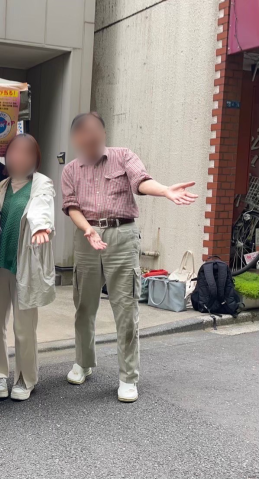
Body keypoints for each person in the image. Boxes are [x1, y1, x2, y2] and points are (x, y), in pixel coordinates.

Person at [61, 112, 197, 402]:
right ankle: (83, 362)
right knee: (83, 306)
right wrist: (87, 229)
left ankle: (128, 376)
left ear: (103, 133)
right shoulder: (71, 170)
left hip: (121, 235)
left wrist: (165, 191)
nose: (89, 137)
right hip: (86, 237)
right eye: (83, 133)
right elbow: (71, 206)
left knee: (125, 307)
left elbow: (141, 181)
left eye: (94, 131)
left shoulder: (123, 156)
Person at [0, 134, 56, 401]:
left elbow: (41, 208)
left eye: (27, 153)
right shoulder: (2, 186)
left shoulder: (41, 184)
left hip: (25, 266)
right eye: (15, 152)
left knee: (24, 328)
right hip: (0, 265)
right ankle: (0, 374)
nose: (20, 157)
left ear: (35, 158)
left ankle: (25, 379)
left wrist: (41, 227)